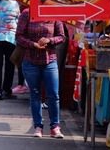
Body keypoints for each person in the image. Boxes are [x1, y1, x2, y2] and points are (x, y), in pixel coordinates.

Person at [16, 8, 65, 139]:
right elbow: (19, 36)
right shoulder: (26, 13)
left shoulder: (54, 13)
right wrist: (33, 44)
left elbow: (61, 36)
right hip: (30, 60)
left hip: (50, 60)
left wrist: (50, 41)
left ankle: (55, 127)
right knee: (35, 94)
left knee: (53, 94)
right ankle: (38, 126)